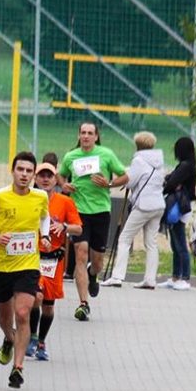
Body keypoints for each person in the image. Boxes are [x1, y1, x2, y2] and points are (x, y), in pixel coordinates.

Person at [0, 151, 50, 389]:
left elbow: (45, 217)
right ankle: (9, 337)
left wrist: (45, 235)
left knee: (23, 313)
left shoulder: (40, 196)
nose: (24, 174)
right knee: (5, 319)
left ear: (33, 174)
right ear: (13, 171)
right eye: (20, 170)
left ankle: (18, 367)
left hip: (28, 265)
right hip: (2, 266)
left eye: (29, 171)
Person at [58, 122, 128, 321]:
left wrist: (109, 183)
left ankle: (93, 274)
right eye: (83, 133)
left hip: (100, 212)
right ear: (78, 135)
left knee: (97, 261)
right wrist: (65, 185)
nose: (86, 136)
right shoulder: (71, 156)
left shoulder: (106, 154)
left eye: (90, 133)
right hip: (78, 212)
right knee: (80, 254)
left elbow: (125, 176)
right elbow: (61, 175)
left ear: (96, 136)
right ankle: (83, 304)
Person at [26, 162, 82, 360]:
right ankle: (32, 337)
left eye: (49, 176)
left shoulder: (64, 202)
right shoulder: (29, 199)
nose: (45, 179)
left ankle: (41, 341)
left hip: (54, 260)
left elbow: (78, 228)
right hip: (32, 257)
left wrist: (64, 226)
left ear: (55, 179)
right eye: (41, 175)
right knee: (36, 297)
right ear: (35, 178)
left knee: (48, 306)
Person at [100, 132, 165, 289]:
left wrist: (110, 183)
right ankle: (150, 279)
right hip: (158, 204)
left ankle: (117, 276)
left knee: (124, 238)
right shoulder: (159, 161)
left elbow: (129, 181)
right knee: (151, 243)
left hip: (143, 205)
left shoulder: (139, 160)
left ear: (137, 145)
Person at [157, 137, 196, 291]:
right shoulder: (188, 164)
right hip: (182, 205)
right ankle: (175, 277)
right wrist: (171, 181)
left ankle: (184, 278)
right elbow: (172, 179)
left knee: (180, 243)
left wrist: (169, 183)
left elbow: (171, 182)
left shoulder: (185, 166)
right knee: (175, 243)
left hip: (180, 206)